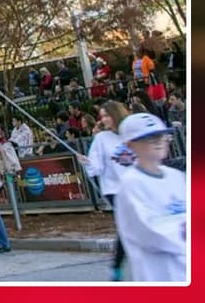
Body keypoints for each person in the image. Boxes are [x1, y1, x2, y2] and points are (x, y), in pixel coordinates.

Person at [114, 113, 186, 282]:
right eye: (149, 138)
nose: (159, 142)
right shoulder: (130, 184)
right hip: (159, 274)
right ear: (131, 145)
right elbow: (149, 233)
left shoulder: (176, 176)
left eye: (161, 136)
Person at [79, 100, 134, 280]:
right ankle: (117, 265)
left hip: (137, 186)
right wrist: (87, 162)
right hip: (115, 189)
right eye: (102, 116)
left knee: (134, 226)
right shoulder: (101, 139)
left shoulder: (132, 134)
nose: (104, 120)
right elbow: (96, 166)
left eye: (107, 115)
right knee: (128, 224)